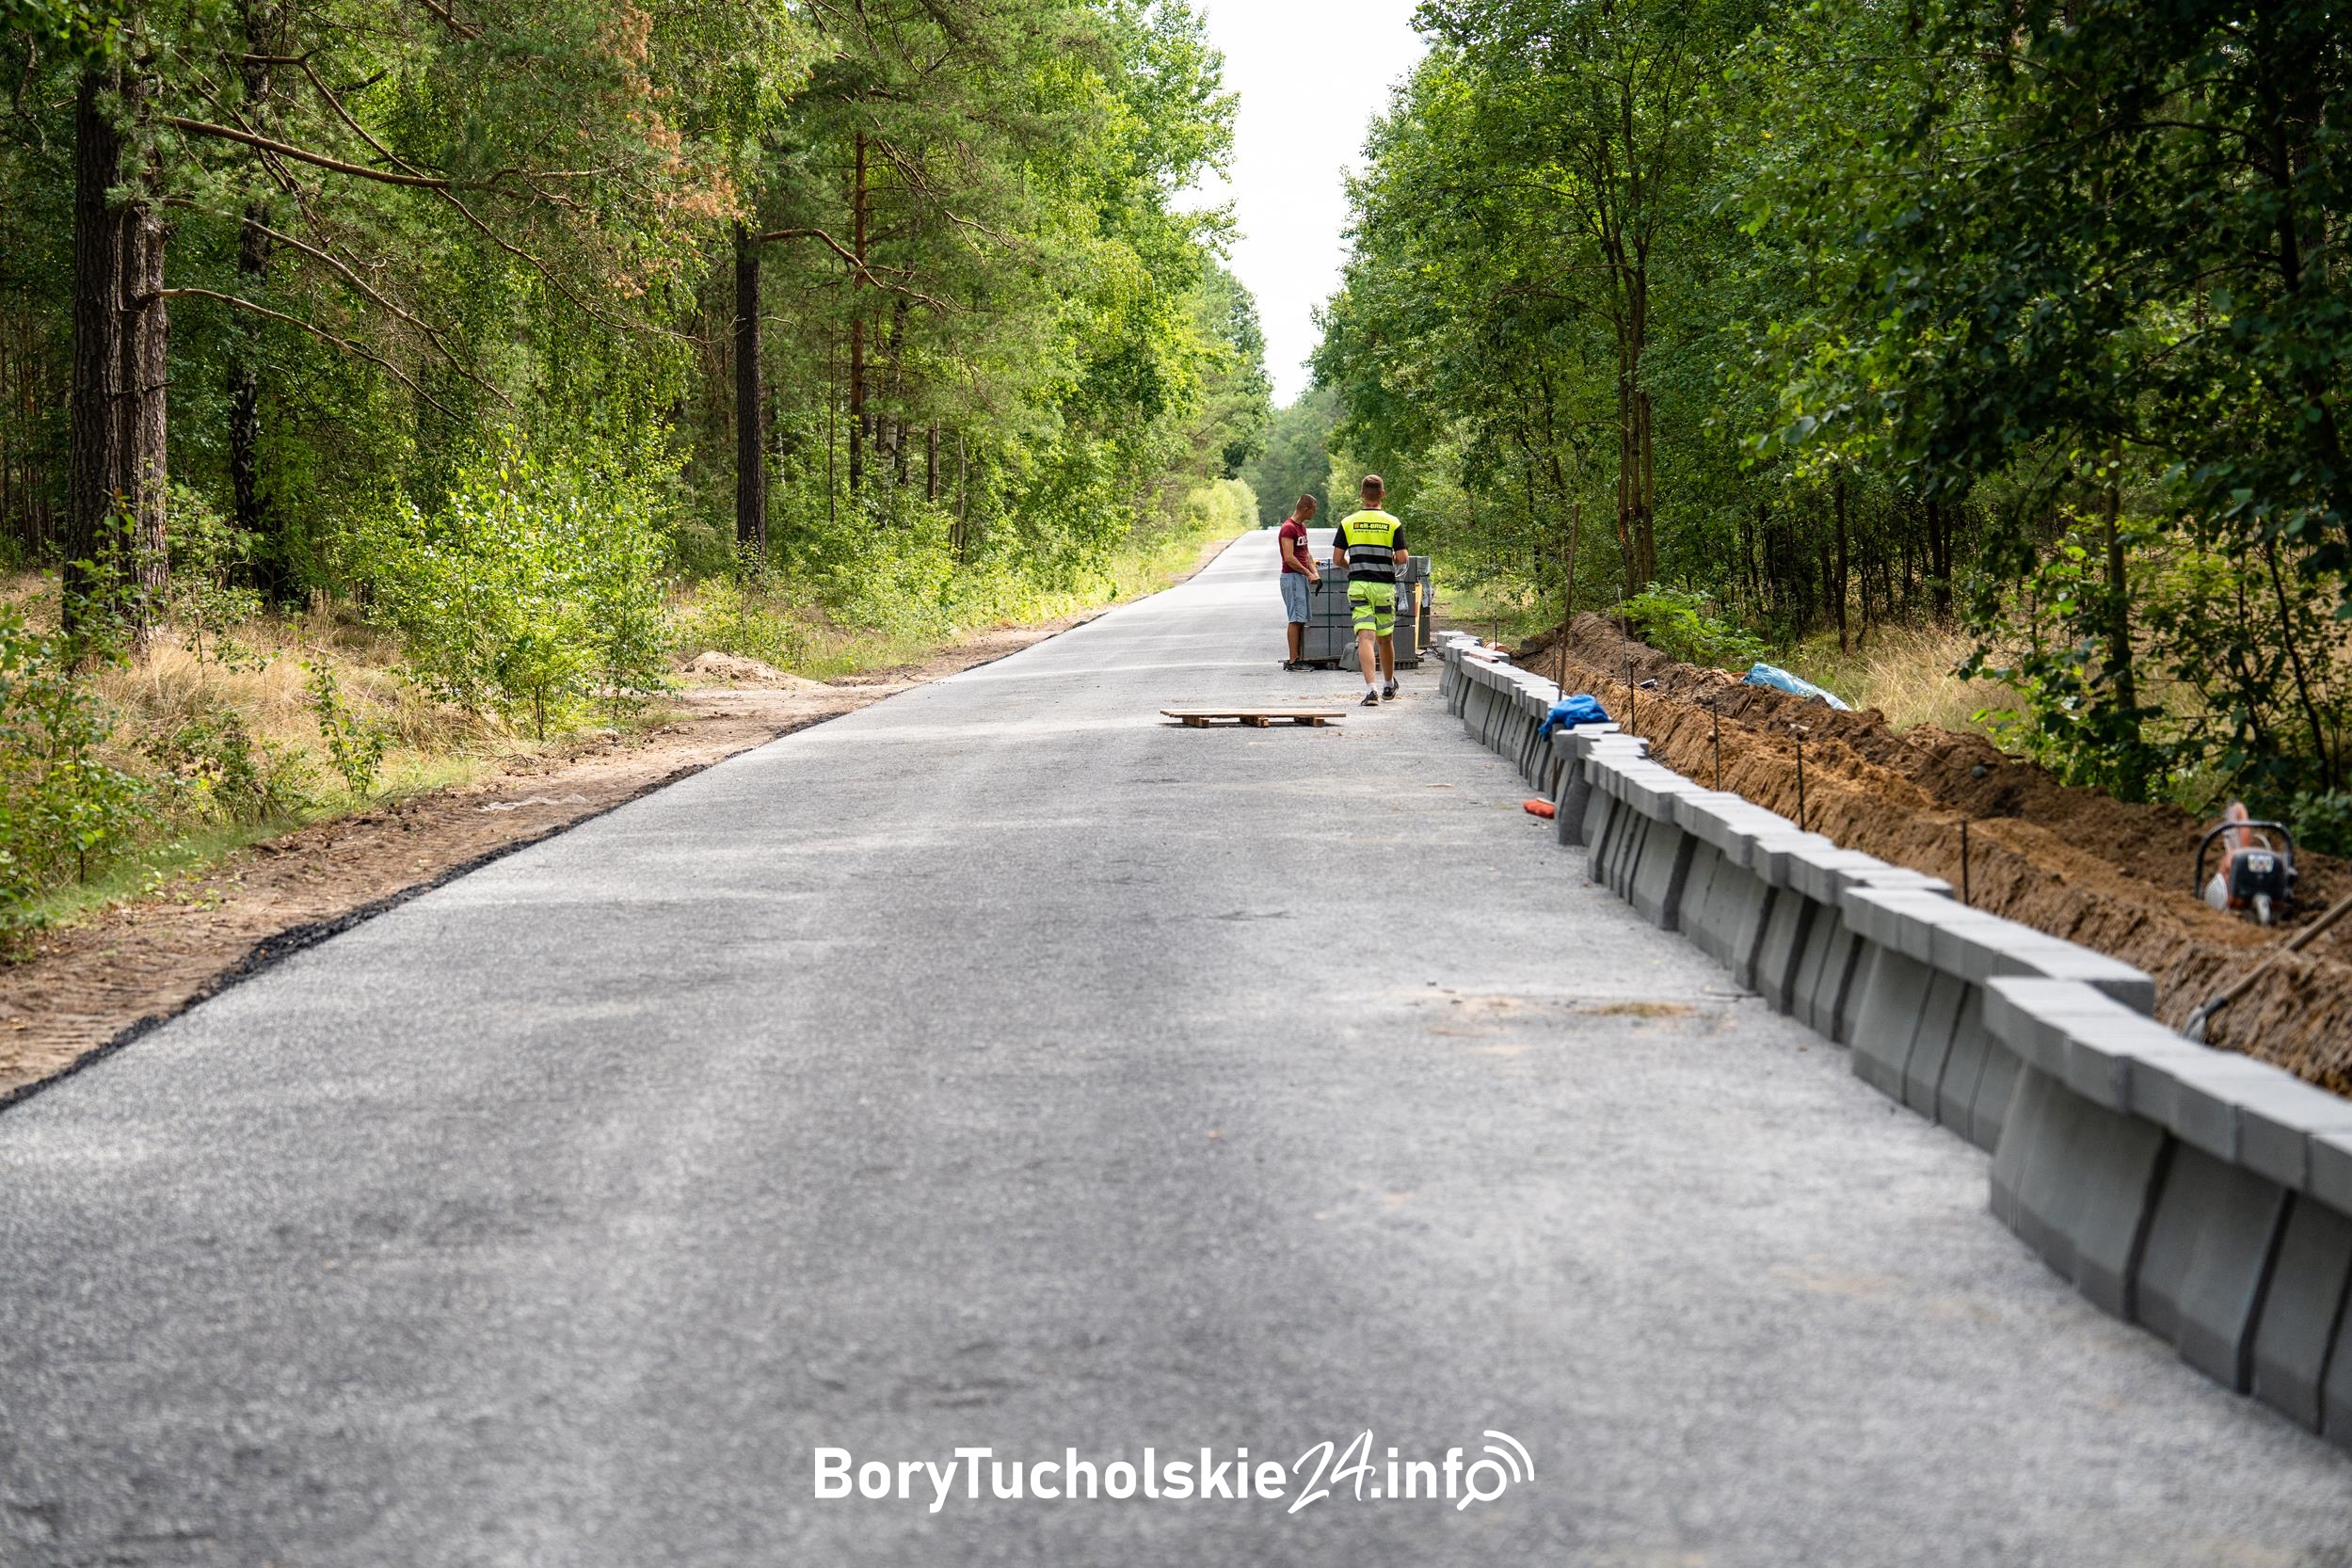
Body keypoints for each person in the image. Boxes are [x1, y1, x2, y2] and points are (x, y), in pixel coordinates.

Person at [1333, 474, 1410, 705]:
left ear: (1361, 494)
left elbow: (1337, 558)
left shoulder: (1348, 523)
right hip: (1384, 586)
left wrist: (1353, 566)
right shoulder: (1392, 522)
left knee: (1365, 637)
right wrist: (1387, 562)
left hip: (1358, 586)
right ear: (1382, 494)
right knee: (1385, 639)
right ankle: (1388, 686)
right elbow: (1403, 557)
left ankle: (1371, 691)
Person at [1276, 495, 1321, 670]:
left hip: (1301, 577)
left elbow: (1306, 553)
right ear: (1305, 508)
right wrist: (1307, 573)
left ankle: (1300, 656)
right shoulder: (1288, 529)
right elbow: (1289, 558)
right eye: (1313, 509)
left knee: (1302, 618)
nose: (1314, 513)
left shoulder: (1301, 528)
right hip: (1292, 577)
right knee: (1295, 618)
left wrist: (1314, 573)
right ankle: (1294, 660)